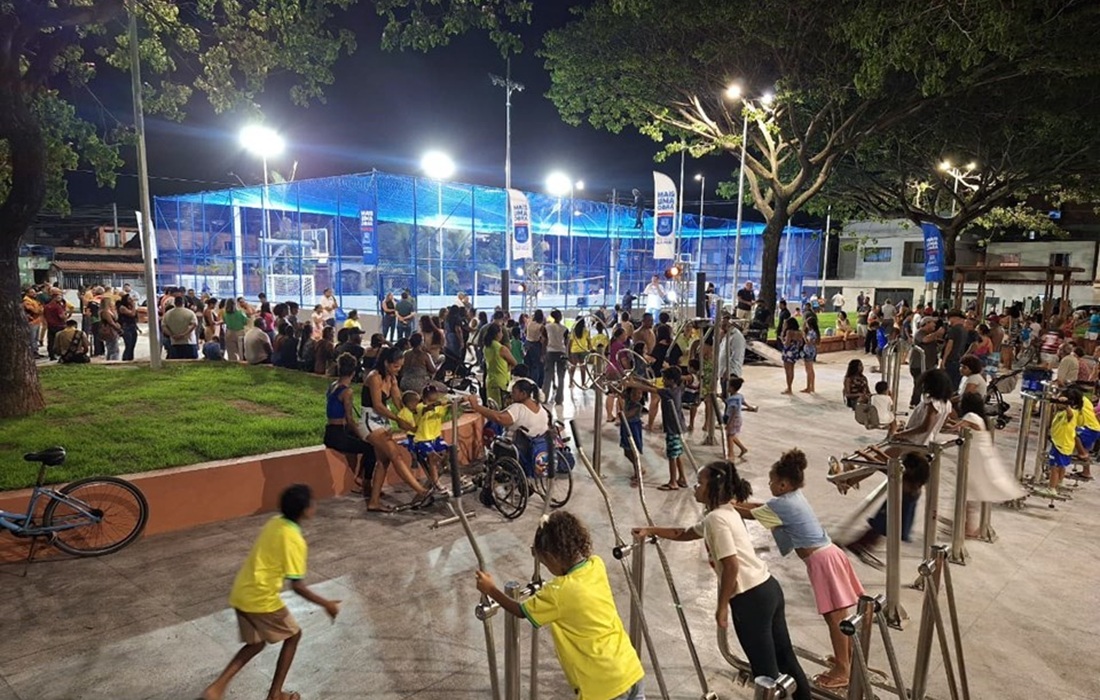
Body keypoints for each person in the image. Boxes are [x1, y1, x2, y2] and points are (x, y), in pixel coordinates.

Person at [633, 461, 811, 700]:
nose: (695, 486)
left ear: (713, 489)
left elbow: (731, 566)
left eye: (700, 483)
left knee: (765, 673)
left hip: (750, 598)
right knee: (786, 657)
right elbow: (684, 533)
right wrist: (651, 530)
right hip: (768, 587)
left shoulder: (716, 520)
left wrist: (722, 606)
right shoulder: (726, 511)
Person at [476, 511, 645, 700]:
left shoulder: (558, 592)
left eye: (544, 563)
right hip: (629, 668)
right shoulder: (596, 565)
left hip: (602, 684)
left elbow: (521, 611)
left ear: (552, 558)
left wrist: (491, 589)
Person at [734, 450, 865, 690]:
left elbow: (754, 513)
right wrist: (734, 504)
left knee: (834, 617)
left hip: (823, 561)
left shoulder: (783, 504)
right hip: (828, 554)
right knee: (840, 615)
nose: (769, 485)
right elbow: (760, 507)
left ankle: (843, 670)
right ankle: (846, 657)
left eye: (771, 481)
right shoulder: (792, 497)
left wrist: (727, 506)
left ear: (783, 484)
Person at [200, 484, 340, 700]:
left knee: (256, 644)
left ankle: (216, 689)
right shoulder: (295, 540)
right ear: (305, 510)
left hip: (242, 591)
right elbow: (297, 586)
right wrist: (327, 604)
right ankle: (275, 694)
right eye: (312, 501)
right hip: (261, 599)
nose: (315, 504)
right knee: (294, 635)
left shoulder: (274, 522)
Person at [360, 346, 434, 511]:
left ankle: (374, 501)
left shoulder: (391, 378)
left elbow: (398, 401)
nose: (398, 369)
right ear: (386, 362)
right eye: (395, 366)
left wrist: (415, 413)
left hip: (382, 422)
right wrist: (398, 419)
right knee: (395, 455)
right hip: (370, 421)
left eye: (400, 366)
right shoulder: (374, 377)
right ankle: (421, 491)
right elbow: (378, 405)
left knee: (384, 461)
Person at [954, 393, 1026, 536]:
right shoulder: (980, 418)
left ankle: (968, 527)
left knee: (968, 491)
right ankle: (968, 525)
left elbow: (958, 427)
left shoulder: (970, 416)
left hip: (975, 459)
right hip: (982, 456)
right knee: (971, 492)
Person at [845, 452, 932, 568]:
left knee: (878, 529)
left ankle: (859, 546)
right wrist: (876, 451)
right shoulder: (915, 483)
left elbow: (883, 466)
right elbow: (890, 463)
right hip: (896, 510)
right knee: (879, 531)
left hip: (894, 512)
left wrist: (865, 454)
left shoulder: (902, 479)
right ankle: (862, 546)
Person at [630, 366, 687, 491]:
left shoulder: (668, 393)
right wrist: (639, 379)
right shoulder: (677, 389)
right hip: (679, 427)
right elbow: (654, 386)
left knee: (672, 455)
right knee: (678, 453)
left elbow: (650, 389)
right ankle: (682, 478)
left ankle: (673, 482)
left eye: (665, 379)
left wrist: (632, 384)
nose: (663, 381)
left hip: (673, 428)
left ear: (671, 380)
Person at [407, 384, 451, 492]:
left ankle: (445, 468)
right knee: (432, 457)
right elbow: (428, 408)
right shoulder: (419, 407)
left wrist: (457, 401)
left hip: (435, 438)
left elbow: (447, 408)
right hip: (422, 439)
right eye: (434, 393)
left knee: (451, 451)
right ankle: (436, 482)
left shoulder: (439, 407)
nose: (437, 395)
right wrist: (439, 403)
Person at [1039, 388, 1080, 501]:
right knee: (1061, 466)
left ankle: (1051, 488)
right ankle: (1059, 482)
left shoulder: (1070, 413)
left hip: (1060, 445)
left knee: (1054, 467)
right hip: (1063, 443)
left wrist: (1066, 405)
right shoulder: (1061, 412)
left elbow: (1070, 415)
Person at [483, 323, 517, 407]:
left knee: (492, 407)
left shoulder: (486, 347)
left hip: (490, 381)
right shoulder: (501, 349)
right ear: (496, 334)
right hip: (501, 382)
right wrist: (508, 369)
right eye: (501, 332)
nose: (502, 334)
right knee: (500, 408)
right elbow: (514, 362)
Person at [619, 383, 646, 486]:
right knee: (627, 452)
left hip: (633, 429)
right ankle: (639, 469)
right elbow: (619, 393)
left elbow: (626, 415)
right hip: (626, 427)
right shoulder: (628, 399)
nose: (637, 396)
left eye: (640, 393)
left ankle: (638, 474)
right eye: (634, 393)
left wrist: (621, 415)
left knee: (633, 452)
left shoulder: (638, 406)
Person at [724, 376, 757, 459]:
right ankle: (743, 448)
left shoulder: (732, 399)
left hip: (733, 419)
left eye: (728, 386)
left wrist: (729, 423)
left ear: (732, 388)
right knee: (731, 435)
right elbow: (743, 402)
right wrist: (749, 407)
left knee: (729, 436)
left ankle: (731, 454)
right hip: (738, 418)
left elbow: (733, 411)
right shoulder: (739, 396)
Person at [543, 309, 569, 405]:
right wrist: (567, 355)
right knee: (561, 377)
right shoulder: (565, 329)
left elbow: (544, 341)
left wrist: (543, 353)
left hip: (550, 351)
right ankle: (559, 399)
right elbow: (566, 343)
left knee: (548, 376)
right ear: (560, 317)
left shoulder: (547, 327)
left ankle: (544, 397)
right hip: (561, 352)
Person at [939, 310, 968, 387]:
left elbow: (949, 345)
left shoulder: (953, 329)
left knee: (946, 384)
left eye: (950, 318)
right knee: (955, 385)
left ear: (955, 318)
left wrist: (944, 360)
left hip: (950, 360)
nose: (949, 320)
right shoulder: (964, 330)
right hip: (959, 360)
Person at [780, 317, 803, 395]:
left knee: (787, 371)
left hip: (788, 352)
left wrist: (782, 339)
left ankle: (789, 388)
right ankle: (790, 387)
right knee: (792, 370)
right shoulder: (799, 332)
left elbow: (786, 344)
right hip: (794, 352)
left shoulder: (789, 332)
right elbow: (801, 343)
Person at [568, 317, 591, 388]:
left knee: (573, 367)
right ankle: (583, 383)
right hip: (583, 350)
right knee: (583, 368)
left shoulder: (573, 331)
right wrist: (590, 350)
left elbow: (570, 342)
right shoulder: (586, 331)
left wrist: (568, 352)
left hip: (574, 351)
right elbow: (589, 342)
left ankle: (571, 383)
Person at [117, 292, 139, 361]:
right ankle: (125, 359)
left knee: (132, 345)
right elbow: (132, 314)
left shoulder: (130, 307)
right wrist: (133, 305)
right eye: (129, 299)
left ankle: (130, 358)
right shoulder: (122, 307)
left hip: (132, 326)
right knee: (128, 345)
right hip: (126, 327)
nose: (131, 300)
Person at [801, 313, 819, 394]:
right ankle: (812, 386)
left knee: (808, 370)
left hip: (808, 351)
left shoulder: (811, 333)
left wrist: (804, 335)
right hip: (811, 351)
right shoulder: (815, 332)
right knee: (811, 369)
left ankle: (809, 387)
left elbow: (808, 342)